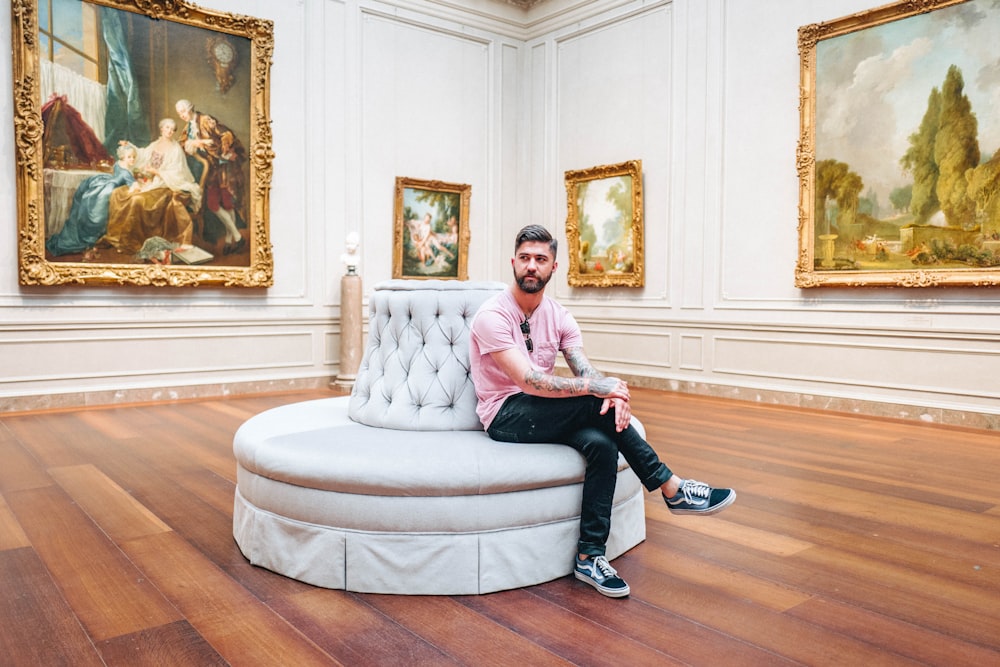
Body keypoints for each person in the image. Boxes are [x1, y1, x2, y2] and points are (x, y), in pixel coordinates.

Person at [469, 224, 736, 598]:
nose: (532, 266)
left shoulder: (560, 316)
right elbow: (529, 381)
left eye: (540, 260)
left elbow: (584, 370)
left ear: (553, 267)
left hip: (543, 411)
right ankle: (670, 486)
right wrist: (599, 390)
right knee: (597, 401)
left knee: (602, 444)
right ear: (513, 263)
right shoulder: (491, 316)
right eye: (525, 259)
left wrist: (615, 398)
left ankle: (589, 556)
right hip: (505, 414)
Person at [102, 118, 202, 255]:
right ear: (161, 129)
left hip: (164, 186)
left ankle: (133, 241)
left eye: (172, 129)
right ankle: (116, 237)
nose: (170, 131)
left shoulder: (176, 149)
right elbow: (142, 155)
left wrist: (157, 172)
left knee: (137, 200)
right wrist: (129, 146)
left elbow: (177, 173)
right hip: (148, 181)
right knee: (117, 193)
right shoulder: (156, 143)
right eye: (167, 127)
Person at [175, 98, 247, 254]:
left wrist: (205, 143)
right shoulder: (188, 128)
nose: (181, 115)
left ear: (190, 108)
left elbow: (226, 135)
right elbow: (181, 145)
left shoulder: (205, 120)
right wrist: (191, 145)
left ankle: (231, 240)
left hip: (223, 166)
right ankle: (236, 237)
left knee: (226, 203)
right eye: (179, 113)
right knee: (214, 204)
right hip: (211, 170)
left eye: (183, 111)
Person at [46, 143, 139, 258]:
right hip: (108, 189)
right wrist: (136, 187)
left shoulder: (119, 164)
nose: (132, 159)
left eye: (134, 157)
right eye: (129, 157)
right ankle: (88, 240)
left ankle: (90, 239)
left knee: (93, 207)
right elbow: (135, 187)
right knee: (98, 215)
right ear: (123, 157)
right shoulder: (127, 172)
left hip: (105, 182)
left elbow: (117, 173)